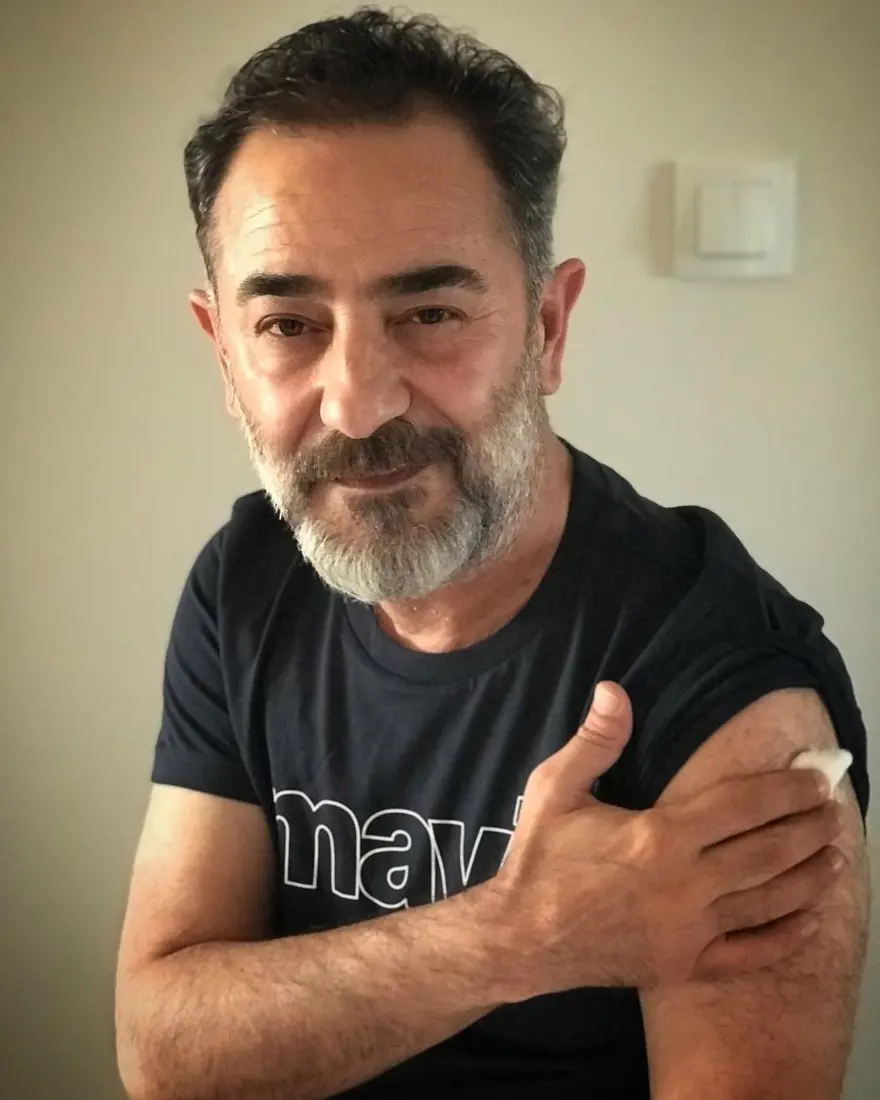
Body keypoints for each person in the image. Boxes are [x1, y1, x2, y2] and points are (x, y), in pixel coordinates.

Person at [115, 8, 870, 1099]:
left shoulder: (730, 690)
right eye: (288, 325)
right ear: (225, 357)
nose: (358, 404)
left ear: (548, 328)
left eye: (428, 312)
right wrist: (521, 938)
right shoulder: (246, 580)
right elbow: (161, 1053)